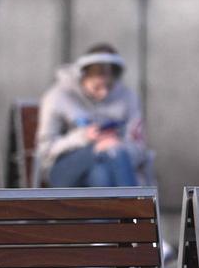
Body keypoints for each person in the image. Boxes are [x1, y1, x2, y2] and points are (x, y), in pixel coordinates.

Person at [36, 43, 148, 188]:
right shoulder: (57, 97)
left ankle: (125, 208)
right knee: (109, 159)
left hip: (110, 163)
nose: (104, 93)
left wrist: (116, 146)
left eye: (109, 86)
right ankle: (135, 208)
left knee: (101, 173)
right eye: (97, 87)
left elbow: (139, 147)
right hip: (64, 169)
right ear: (82, 76)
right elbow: (46, 151)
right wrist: (84, 138)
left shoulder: (128, 97)